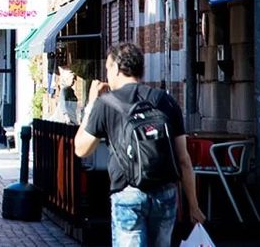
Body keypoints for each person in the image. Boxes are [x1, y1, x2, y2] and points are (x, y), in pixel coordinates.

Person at [74, 42, 205, 246]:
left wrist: (91, 104)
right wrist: (194, 206)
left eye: (108, 67)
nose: (107, 74)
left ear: (117, 68)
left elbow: (81, 149)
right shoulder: (165, 101)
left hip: (127, 192)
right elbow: (183, 159)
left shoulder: (105, 104)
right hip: (165, 193)